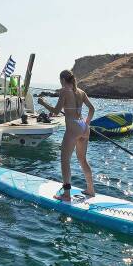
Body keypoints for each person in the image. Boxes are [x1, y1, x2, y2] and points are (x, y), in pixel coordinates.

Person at [37, 69, 95, 202]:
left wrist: (43, 103)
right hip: (84, 127)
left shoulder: (64, 91)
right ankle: (91, 190)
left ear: (63, 80)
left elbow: (56, 111)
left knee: (65, 161)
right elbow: (92, 109)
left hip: (73, 128)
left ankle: (66, 194)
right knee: (82, 160)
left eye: (60, 81)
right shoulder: (81, 92)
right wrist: (86, 123)